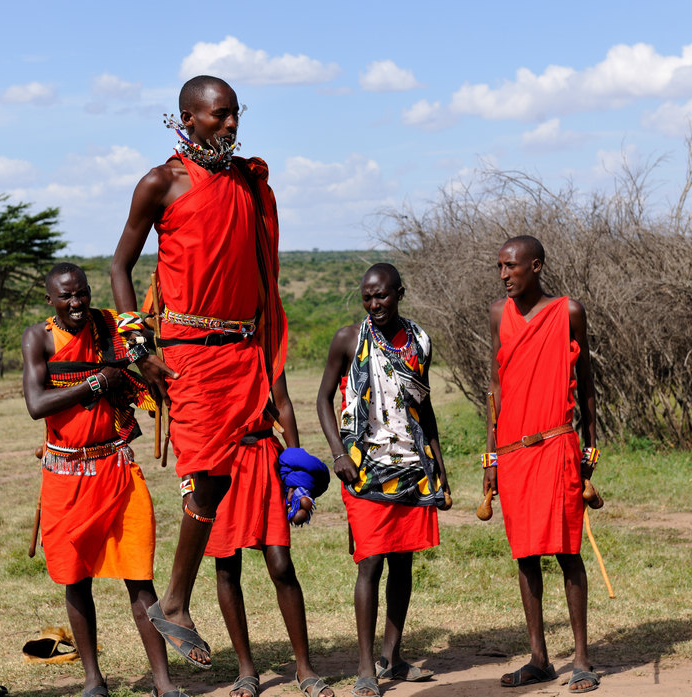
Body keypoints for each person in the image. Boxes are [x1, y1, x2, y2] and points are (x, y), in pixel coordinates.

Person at [111, 74, 286, 670]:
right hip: (188, 351)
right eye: (219, 115)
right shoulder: (161, 182)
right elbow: (120, 265)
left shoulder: (246, 182)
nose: (231, 125)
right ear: (186, 118)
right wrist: (137, 346)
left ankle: (177, 600)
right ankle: (178, 603)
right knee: (205, 474)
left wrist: (268, 356)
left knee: (221, 478)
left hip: (242, 350)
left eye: (236, 114)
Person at [20, 262, 187, 697]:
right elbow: (37, 403)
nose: (76, 304)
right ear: (49, 300)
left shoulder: (110, 327)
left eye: (82, 293)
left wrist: (142, 361)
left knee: (140, 578)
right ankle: (93, 679)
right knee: (75, 580)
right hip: (66, 476)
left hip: (116, 468)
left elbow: (143, 355)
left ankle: (163, 682)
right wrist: (97, 382)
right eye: (65, 297)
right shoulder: (38, 337)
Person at [316, 263, 450, 697]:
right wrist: (338, 453)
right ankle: (365, 668)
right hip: (363, 467)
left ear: (400, 293)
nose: (374, 305)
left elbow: (422, 407)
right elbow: (321, 400)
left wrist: (439, 467)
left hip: (411, 465)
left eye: (382, 297)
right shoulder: (348, 339)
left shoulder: (419, 342)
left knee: (403, 562)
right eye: (367, 297)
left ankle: (392, 658)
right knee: (370, 563)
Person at [484, 236, 600, 693]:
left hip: (557, 445)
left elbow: (586, 382)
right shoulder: (498, 314)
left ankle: (583, 659)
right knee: (525, 555)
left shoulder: (569, 312)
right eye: (499, 267)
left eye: (511, 266)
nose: (503, 275)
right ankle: (538, 658)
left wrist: (590, 449)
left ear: (536, 266)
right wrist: (490, 457)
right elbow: (494, 388)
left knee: (568, 551)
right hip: (513, 452)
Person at [203, 373, 334, 697]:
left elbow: (284, 404)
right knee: (227, 567)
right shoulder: (202, 349)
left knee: (281, 566)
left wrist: (297, 474)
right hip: (220, 461)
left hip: (264, 456)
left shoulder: (263, 349)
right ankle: (246, 668)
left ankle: (304, 667)